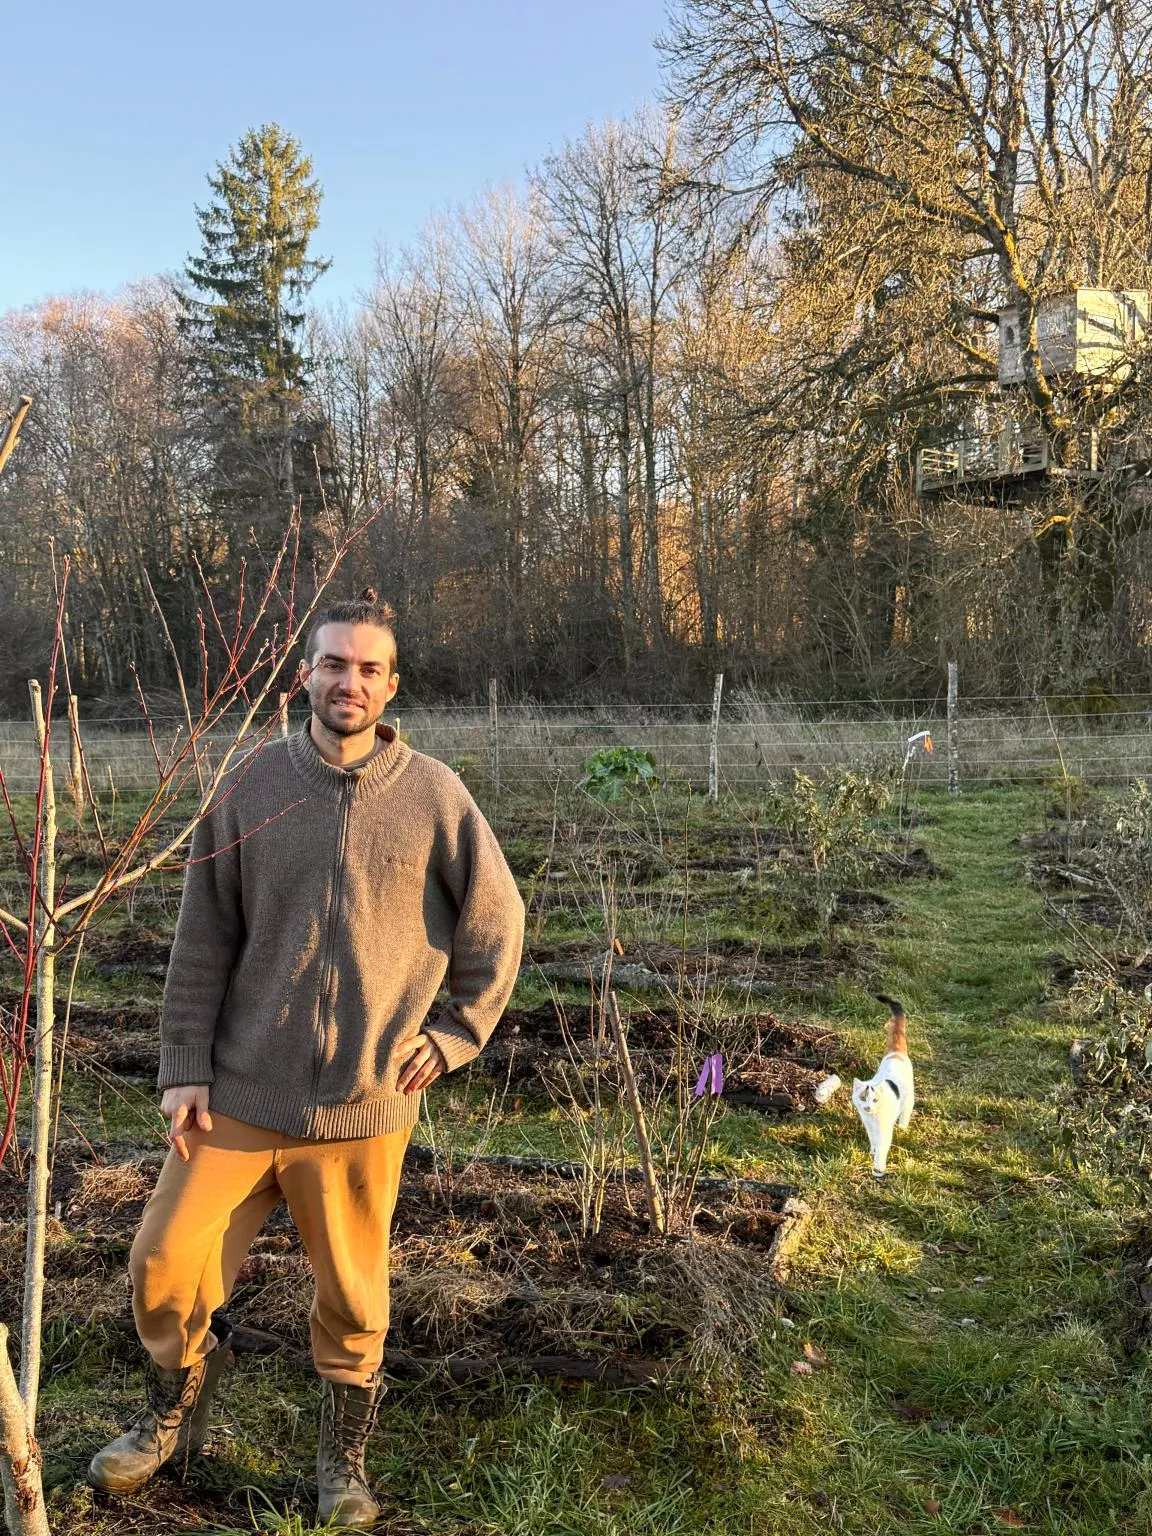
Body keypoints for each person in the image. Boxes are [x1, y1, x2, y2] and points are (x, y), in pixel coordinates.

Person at [88, 591, 525, 1527]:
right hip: (241, 1092)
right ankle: (172, 1410)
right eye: (335, 664)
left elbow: (499, 923)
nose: (350, 682)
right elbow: (202, 935)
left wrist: (452, 1036)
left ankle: (343, 1462)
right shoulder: (250, 786)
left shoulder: (437, 797)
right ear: (307, 675)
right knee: (162, 1261)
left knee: (355, 1301)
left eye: (369, 668)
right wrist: (184, 1064)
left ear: (391, 683)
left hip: (363, 1103)